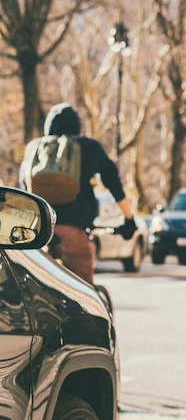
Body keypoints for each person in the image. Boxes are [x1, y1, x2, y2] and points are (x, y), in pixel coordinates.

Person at [20, 103, 135, 286]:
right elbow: (113, 183)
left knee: (39, 287)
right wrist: (129, 219)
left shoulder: (35, 149)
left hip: (39, 233)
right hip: (73, 230)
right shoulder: (89, 147)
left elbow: (25, 189)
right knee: (84, 294)